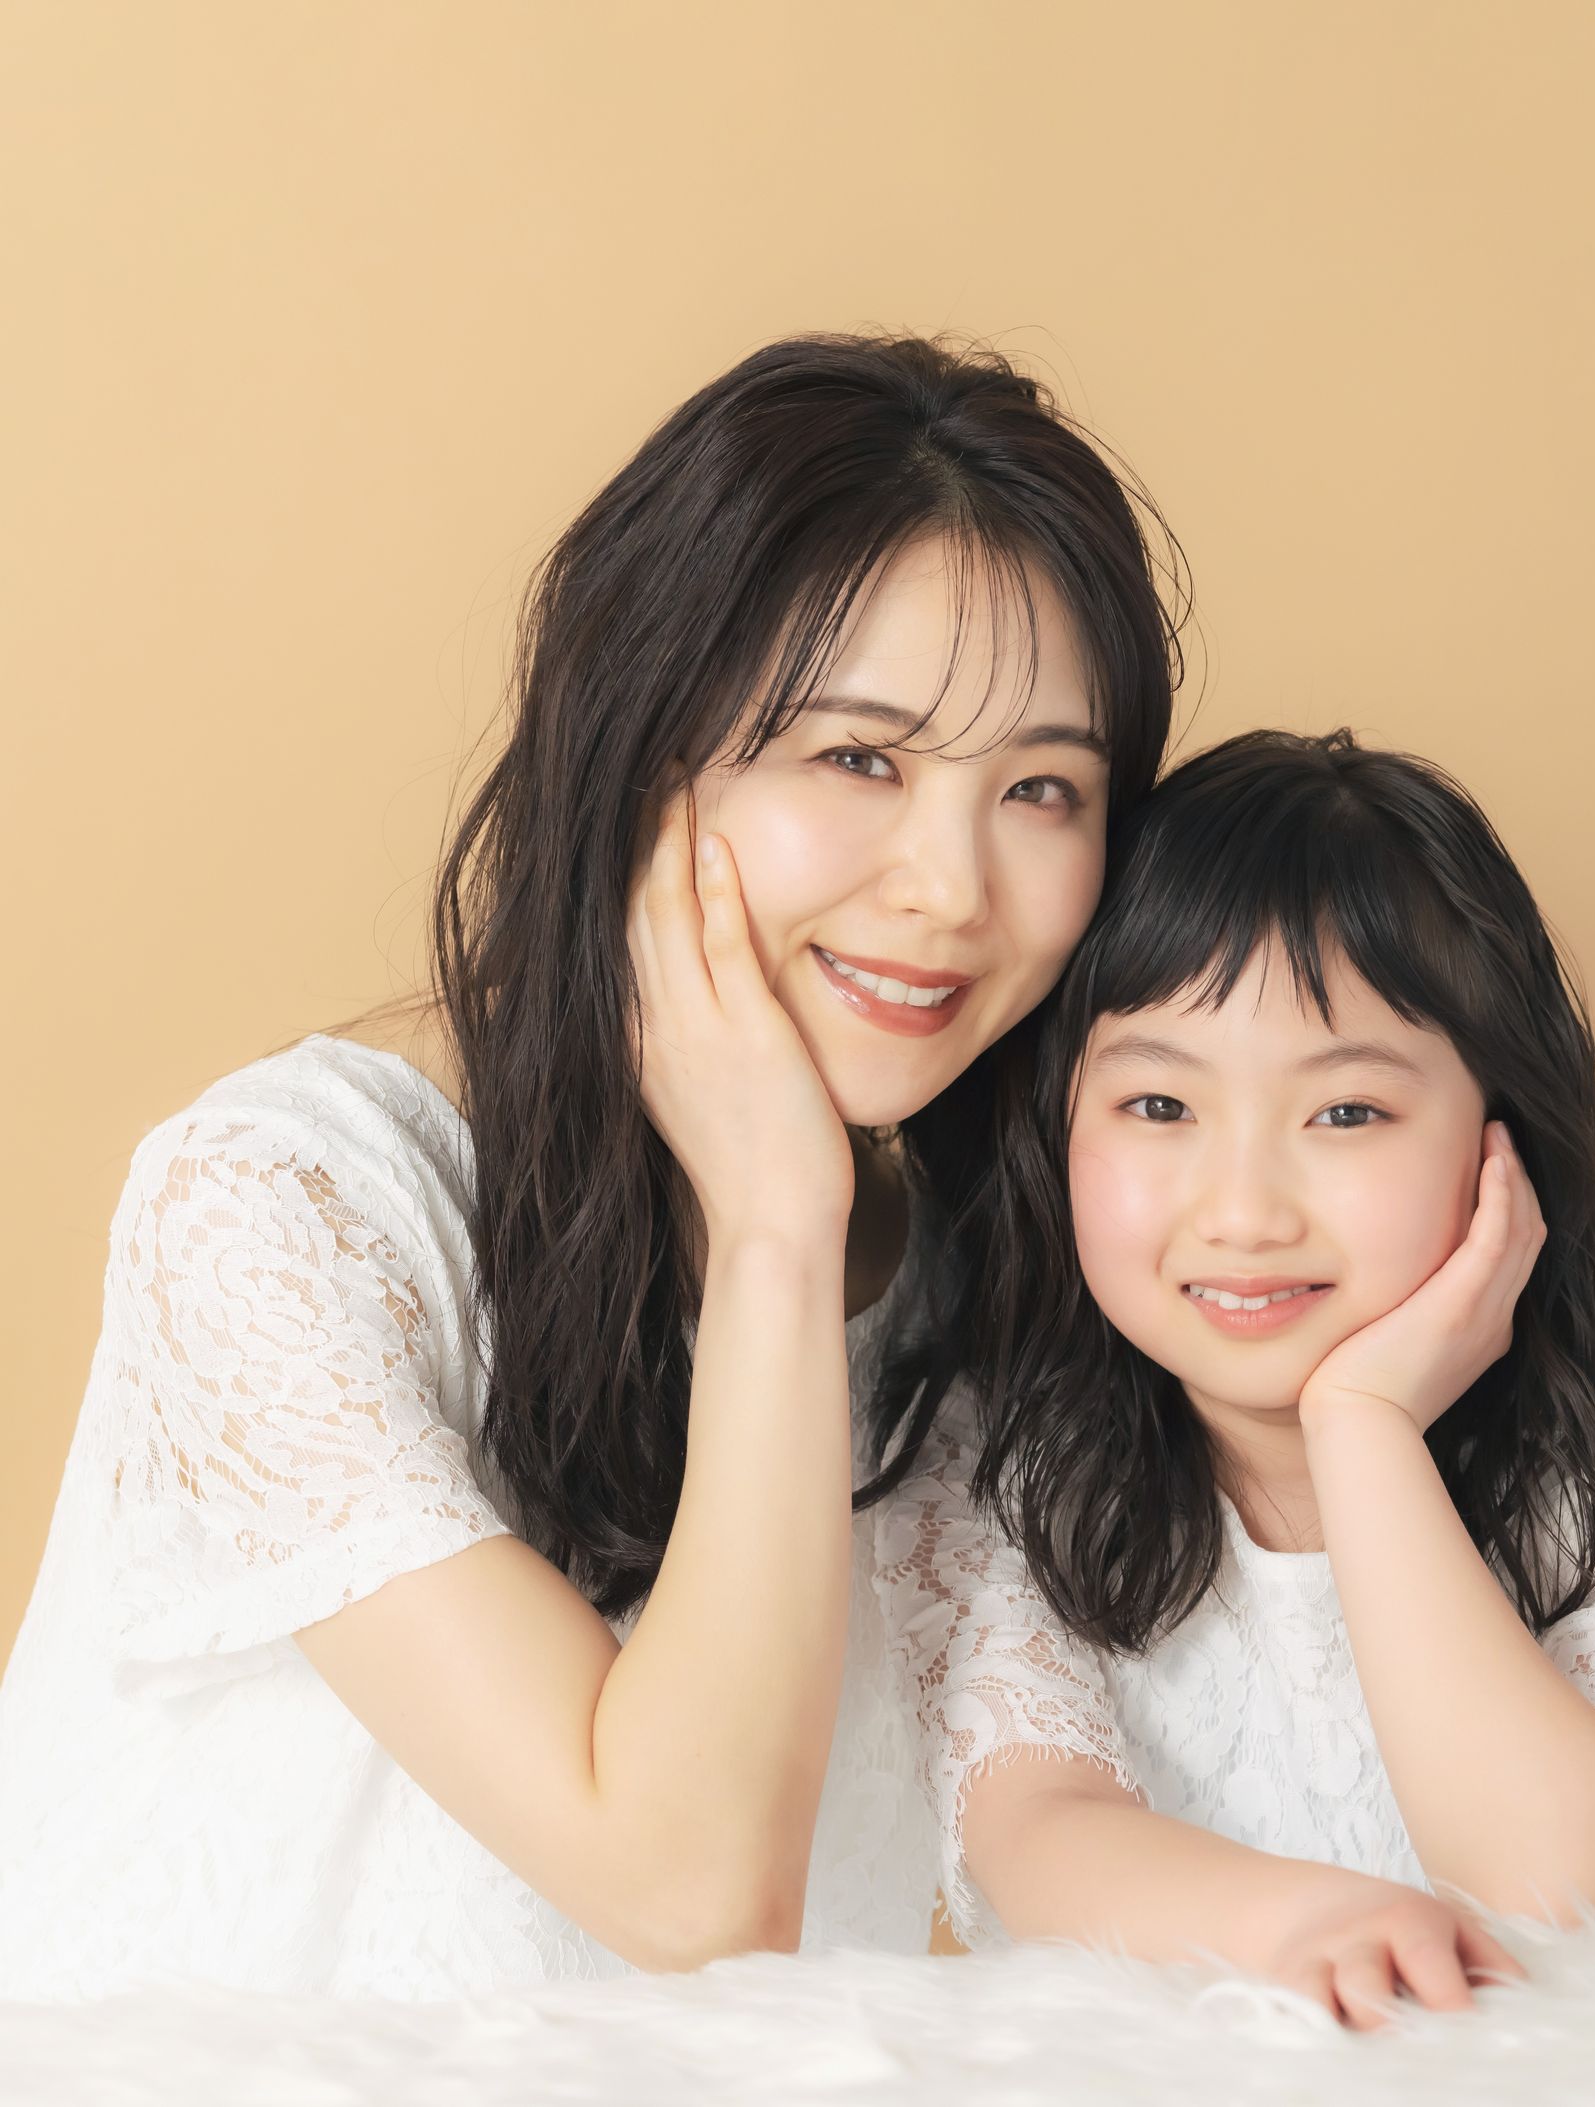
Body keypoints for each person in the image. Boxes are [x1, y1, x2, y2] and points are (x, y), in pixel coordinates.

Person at [0, 333, 1186, 1998]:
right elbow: (686, 1886)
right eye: (858, 759)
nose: (952, 885)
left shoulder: (972, 1307)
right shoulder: (282, 1204)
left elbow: (1049, 1825)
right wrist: (778, 1228)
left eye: (1043, 789)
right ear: (637, 762)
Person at [875, 728, 1595, 2029]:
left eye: (1345, 1114)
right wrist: (1310, 1931)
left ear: (1501, 1140)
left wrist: (1366, 1424)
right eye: (1159, 1107)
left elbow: (1556, 1884)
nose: (1241, 1211)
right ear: (1057, 1127)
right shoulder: (995, 1468)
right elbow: (1035, 1826)